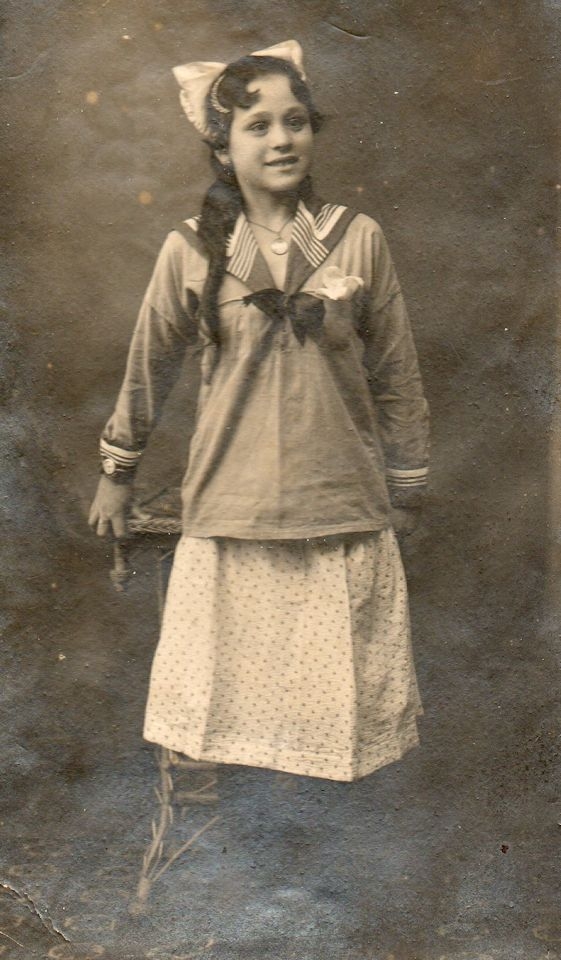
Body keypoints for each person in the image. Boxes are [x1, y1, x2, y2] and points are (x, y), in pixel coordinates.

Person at [89, 40, 429, 782]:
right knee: (228, 742)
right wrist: (118, 472)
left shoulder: (356, 238)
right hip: (231, 515)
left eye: (295, 121)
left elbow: (397, 375)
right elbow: (148, 367)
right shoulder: (190, 249)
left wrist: (405, 486)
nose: (281, 140)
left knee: (334, 741)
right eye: (258, 126)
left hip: (339, 512)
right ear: (221, 147)